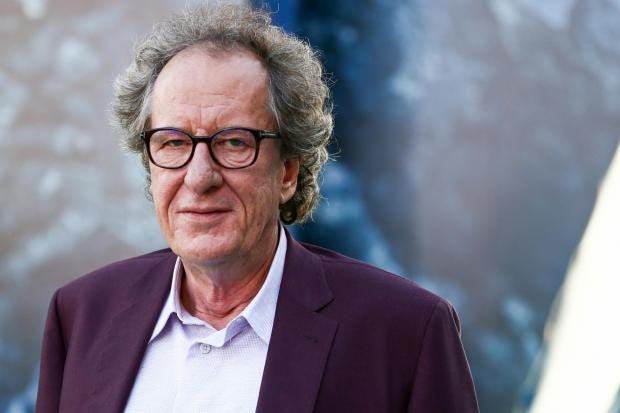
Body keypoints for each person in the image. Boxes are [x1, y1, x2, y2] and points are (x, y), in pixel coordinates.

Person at [35, 4, 478, 412]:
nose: (199, 177)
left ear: (288, 172)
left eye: (234, 143)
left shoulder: (406, 333)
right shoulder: (82, 314)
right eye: (173, 143)